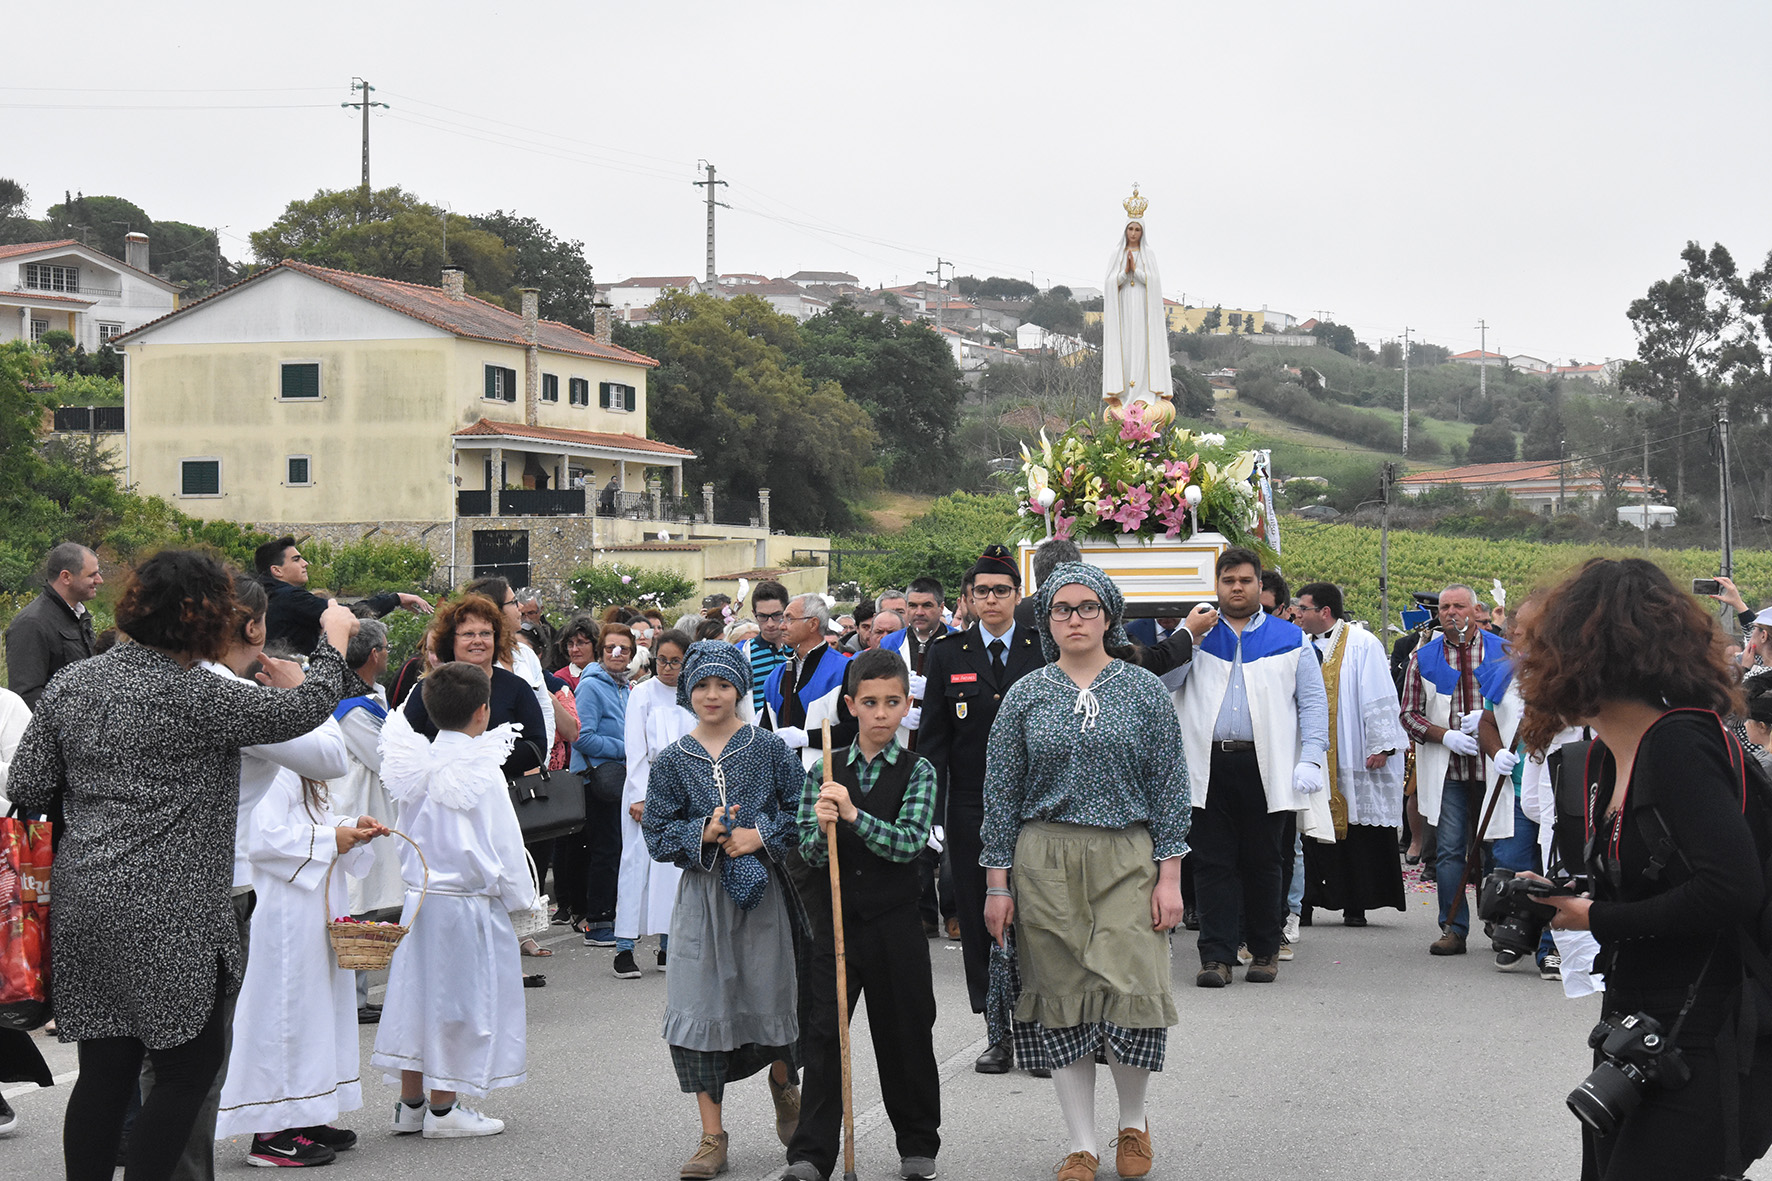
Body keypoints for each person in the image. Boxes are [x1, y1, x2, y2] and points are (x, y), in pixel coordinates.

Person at [8, 549, 357, 1181]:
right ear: (202, 616)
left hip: (86, 896)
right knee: (187, 1069)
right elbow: (300, 713)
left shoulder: (74, 683)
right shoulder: (195, 692)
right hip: (174, 905)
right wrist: (332, 645)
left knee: (105, 1071)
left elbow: (27, 785)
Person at [1517, 558, 1772, 1181]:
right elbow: (1665, 874)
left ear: (1583, 657)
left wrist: (1596, 916)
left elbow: (1731, 890)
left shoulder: (1680, 743)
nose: (1525, 667)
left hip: (1708, 1025)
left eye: (1537, 650)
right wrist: (1569, 895)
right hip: (1640, 1021)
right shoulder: (1606, 755)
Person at [981, 562, 1189, 1181]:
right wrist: (997, 886)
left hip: (1127, 855)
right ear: (1046, 620)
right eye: (1062, 609)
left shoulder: (1143, 690)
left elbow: (1170, 786)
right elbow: (1000, 795)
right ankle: (1081, 1144)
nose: (1075, 619)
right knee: (1063, 997)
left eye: (1087, 607)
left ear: (1108, 616)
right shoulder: (1026, 694)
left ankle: (1132, 1124)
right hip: (1043, 857)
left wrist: (1170, 877)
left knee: (1131, 990)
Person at [641, 642, 806, 1181]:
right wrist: (703, 831)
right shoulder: (672, 759)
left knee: (771, 996)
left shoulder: (768, 747)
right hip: (702, 899)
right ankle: (712, 1135)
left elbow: (802, 812)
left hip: (764, 899)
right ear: (687, 691)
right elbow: (656, 833)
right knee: (699, 1009)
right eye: (702, 685)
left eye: (723, 684)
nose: (712, 695)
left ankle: (784, 1084)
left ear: (739, 689)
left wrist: (761, 835)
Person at [782, 649, 941, 1181]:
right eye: (869, 702)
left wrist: (852, 815)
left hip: (897, 925)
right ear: (850, 705)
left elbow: (909, 843)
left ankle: (917, 1145)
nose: (880, 713)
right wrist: (822, 824)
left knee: (906, 1035)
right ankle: (811, 1154)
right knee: (826, 1037)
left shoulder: (919, 770)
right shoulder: (824, 770)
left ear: (907, 705)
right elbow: (808, 852)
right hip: (838, 923)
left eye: (892, 702)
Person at [374, 662, 537, 1138]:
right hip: (465, 903)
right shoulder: (480, 769)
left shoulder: (415, 765)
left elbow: (404, 831)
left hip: (420, 898)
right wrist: (521, 898)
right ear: (483, 711)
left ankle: (411, 1104)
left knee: (415, 996)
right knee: (458, 1002)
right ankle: (444, 1109)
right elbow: (505, 843)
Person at [1165, 548, 1328, 987]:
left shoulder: (1290, 638)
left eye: (1245, 580)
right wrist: (1187, 637)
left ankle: (1264, 950)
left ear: (1259, 585)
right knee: (1211, 863)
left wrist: (1312, 757)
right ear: (1216, 585)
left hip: (1265, 764)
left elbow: (1313, 703)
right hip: (1209, 764)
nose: (1237, 587)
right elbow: (1165, 684)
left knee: (1265, 861)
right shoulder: (1197, 633)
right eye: (1228, 580)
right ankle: (1215, 956)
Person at [216, 769, 387, 1167]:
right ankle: (270, 1132)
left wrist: (349, 827)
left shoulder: (296, 768)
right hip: (281, 912)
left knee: (313, 1013)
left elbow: (307, 822)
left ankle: (305, 1111)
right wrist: (329, 839)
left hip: (309, 907)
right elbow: (260, 837)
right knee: (283, 1015)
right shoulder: (268, 768)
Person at [918, 544, 1045, 1075]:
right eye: (982, 591)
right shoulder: (948, 653)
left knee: (1036, 916)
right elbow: (934, 741)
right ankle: (996, 1031)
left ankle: (1037, 1029)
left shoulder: (1042, 648)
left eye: (1001, 590)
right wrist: (931, 812)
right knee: (979, 915)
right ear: (968, 599)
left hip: (1036, 803)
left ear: (1017, 595)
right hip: (972, 805)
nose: (991, 599)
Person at [1399, 583, 1515, 956]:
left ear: (1475, 610)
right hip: (1449, 770)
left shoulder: (1504, 653)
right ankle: (1452, 927)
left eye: (1459, 606)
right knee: (1449, 850)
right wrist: (1444, 736)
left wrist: (1490, 727)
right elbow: (1409, 714)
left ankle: (1498, 921)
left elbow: (1521, 707)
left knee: (1496, 846)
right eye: (1445, 607)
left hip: (1493, 768)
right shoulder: (1424, 658)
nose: (1451, 612)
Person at [1293, 582, 1408, 927]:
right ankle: (1306, 902)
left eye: (1304, 608)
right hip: (1312, 755)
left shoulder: (1362, 643)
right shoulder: (1298, 643)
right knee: (1309, 825)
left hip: (1352, 751)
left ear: (1325, 612)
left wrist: (1381, 745)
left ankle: (1356, 903)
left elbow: (1378, 693)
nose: (1297, 614)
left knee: (1358, 829)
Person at [330, 618, 406, 1016]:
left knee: (365, 902)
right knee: (356, 905)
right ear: (374, 654)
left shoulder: (369, 698)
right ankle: (353, 1000)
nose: (388, 655)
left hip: (367, 809)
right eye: (387, 648)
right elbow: (385, 758)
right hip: (354, 811)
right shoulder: (351, 709)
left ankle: (357, 996)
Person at [613, 629, 694, 978]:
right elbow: (635, 748)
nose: (668, 668)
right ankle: (624, 947)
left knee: (673, 871)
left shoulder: (693, 694)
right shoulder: (642, 693)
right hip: (647, 787)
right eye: (662, 660)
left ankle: (667, 945)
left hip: (684, 792)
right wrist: (640, 796)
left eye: (676, 661)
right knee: (636, 867)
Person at [401, 595, 546, 781]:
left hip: (502, 790)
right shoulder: (429, 687)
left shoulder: (517, 687)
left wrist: (484, 755)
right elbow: (408, 742)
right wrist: (457, 752)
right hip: (441, 789)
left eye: (485, 633)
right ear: (450, 640)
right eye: (468, 634)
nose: (478, 640)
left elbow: (537, 746)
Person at [253, 536, 430, 655]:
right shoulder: (289, 597)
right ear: (277, 570)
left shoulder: (256, 595)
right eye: (296, 559)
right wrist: (395, 599)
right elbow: (347, 615)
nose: (305, 563)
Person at [569, 621, 633, 946]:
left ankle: (612, 915)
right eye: (610, 648)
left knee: (618, 848)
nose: (616, 654)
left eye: (623, 649)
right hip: (596, 779)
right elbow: (581, 736)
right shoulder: (592, 686)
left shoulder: (627, 688)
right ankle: (597, 921)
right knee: (605, 849)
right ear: (601, 651)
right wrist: (626, 748)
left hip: (619, 778)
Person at [1099, 191, 1172, 423]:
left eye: (1137, 229)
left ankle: (1142, 393)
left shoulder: (1149, 254)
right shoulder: (1116, 253)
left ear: (1142, 232)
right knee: (1126, 348)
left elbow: (1155, 283)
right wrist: (1124, 273)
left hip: (1143, 309)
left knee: (1142, 347)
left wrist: (1136, 271)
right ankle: (1124, 395)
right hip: (1123, 310)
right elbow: (1110, 283)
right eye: (1130, 229)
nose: (1133, 233)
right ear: (1125, 231)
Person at [763, 595, 855, 771]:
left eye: (789, 619)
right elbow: (765, 731)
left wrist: (806, 738)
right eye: (783, 619)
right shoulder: (775, 677)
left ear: (813, 624)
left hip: (828, 776)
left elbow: (854, 729)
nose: (781, 626)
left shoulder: (844, 669)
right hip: (782, 778)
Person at [5, 541, 101, 709]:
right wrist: (73, 720)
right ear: (66, 577)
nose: (99, 580)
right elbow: (26, 695)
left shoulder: (79, 616)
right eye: (92, 575)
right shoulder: (31, 624)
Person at [465, 576, 556, 753]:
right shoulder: (475, 660)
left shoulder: (526, 654)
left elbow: (545, 709)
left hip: (531, 760)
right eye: (513, 602)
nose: (520, 607)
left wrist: (541, 757)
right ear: (494, 610)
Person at [740, 580, 792, 716]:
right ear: (754, 614)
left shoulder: (799, 650)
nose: (770, 623)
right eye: (762, 616)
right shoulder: (743, 654)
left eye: (776, 615)